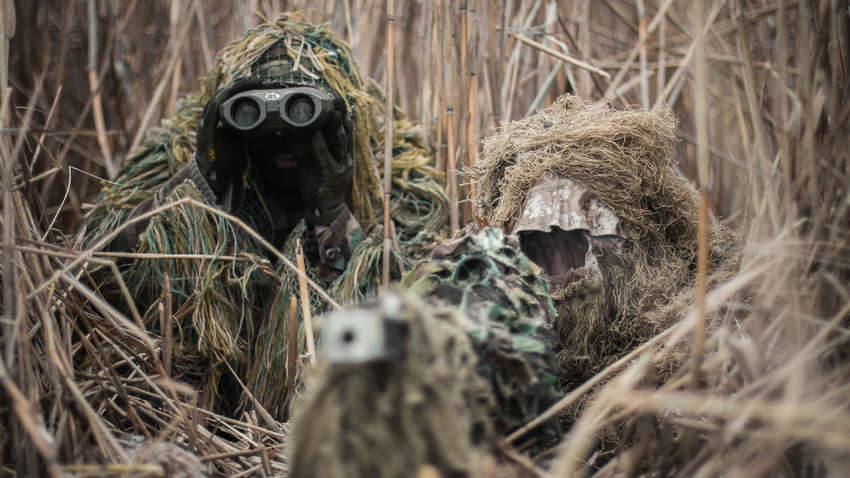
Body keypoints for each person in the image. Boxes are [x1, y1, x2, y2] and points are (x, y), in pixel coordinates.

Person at [81, 15, 448, 418]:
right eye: (254, 115)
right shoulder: (182, 150)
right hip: (188, 414)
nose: (284, 137)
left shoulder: (391, 169)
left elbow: (413, 309)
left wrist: (332, 213)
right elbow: (94, 274)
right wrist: (202, 183)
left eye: (302, 114)